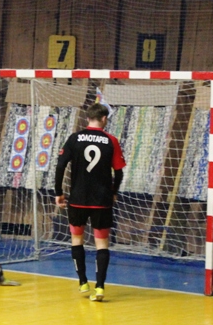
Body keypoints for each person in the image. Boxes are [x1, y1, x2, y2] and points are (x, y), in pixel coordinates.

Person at [54, 103, 125, 302]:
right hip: (101, 201)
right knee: (102, 244)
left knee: (77, 240)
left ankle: (83, 282)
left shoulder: (74, 138)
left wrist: (59, 192)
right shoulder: (111, 140)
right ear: (104, 119)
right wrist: (113, 192)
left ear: (87, 118)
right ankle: (100, 287)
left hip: (77, 199)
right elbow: (119, 172)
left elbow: (60, 165)